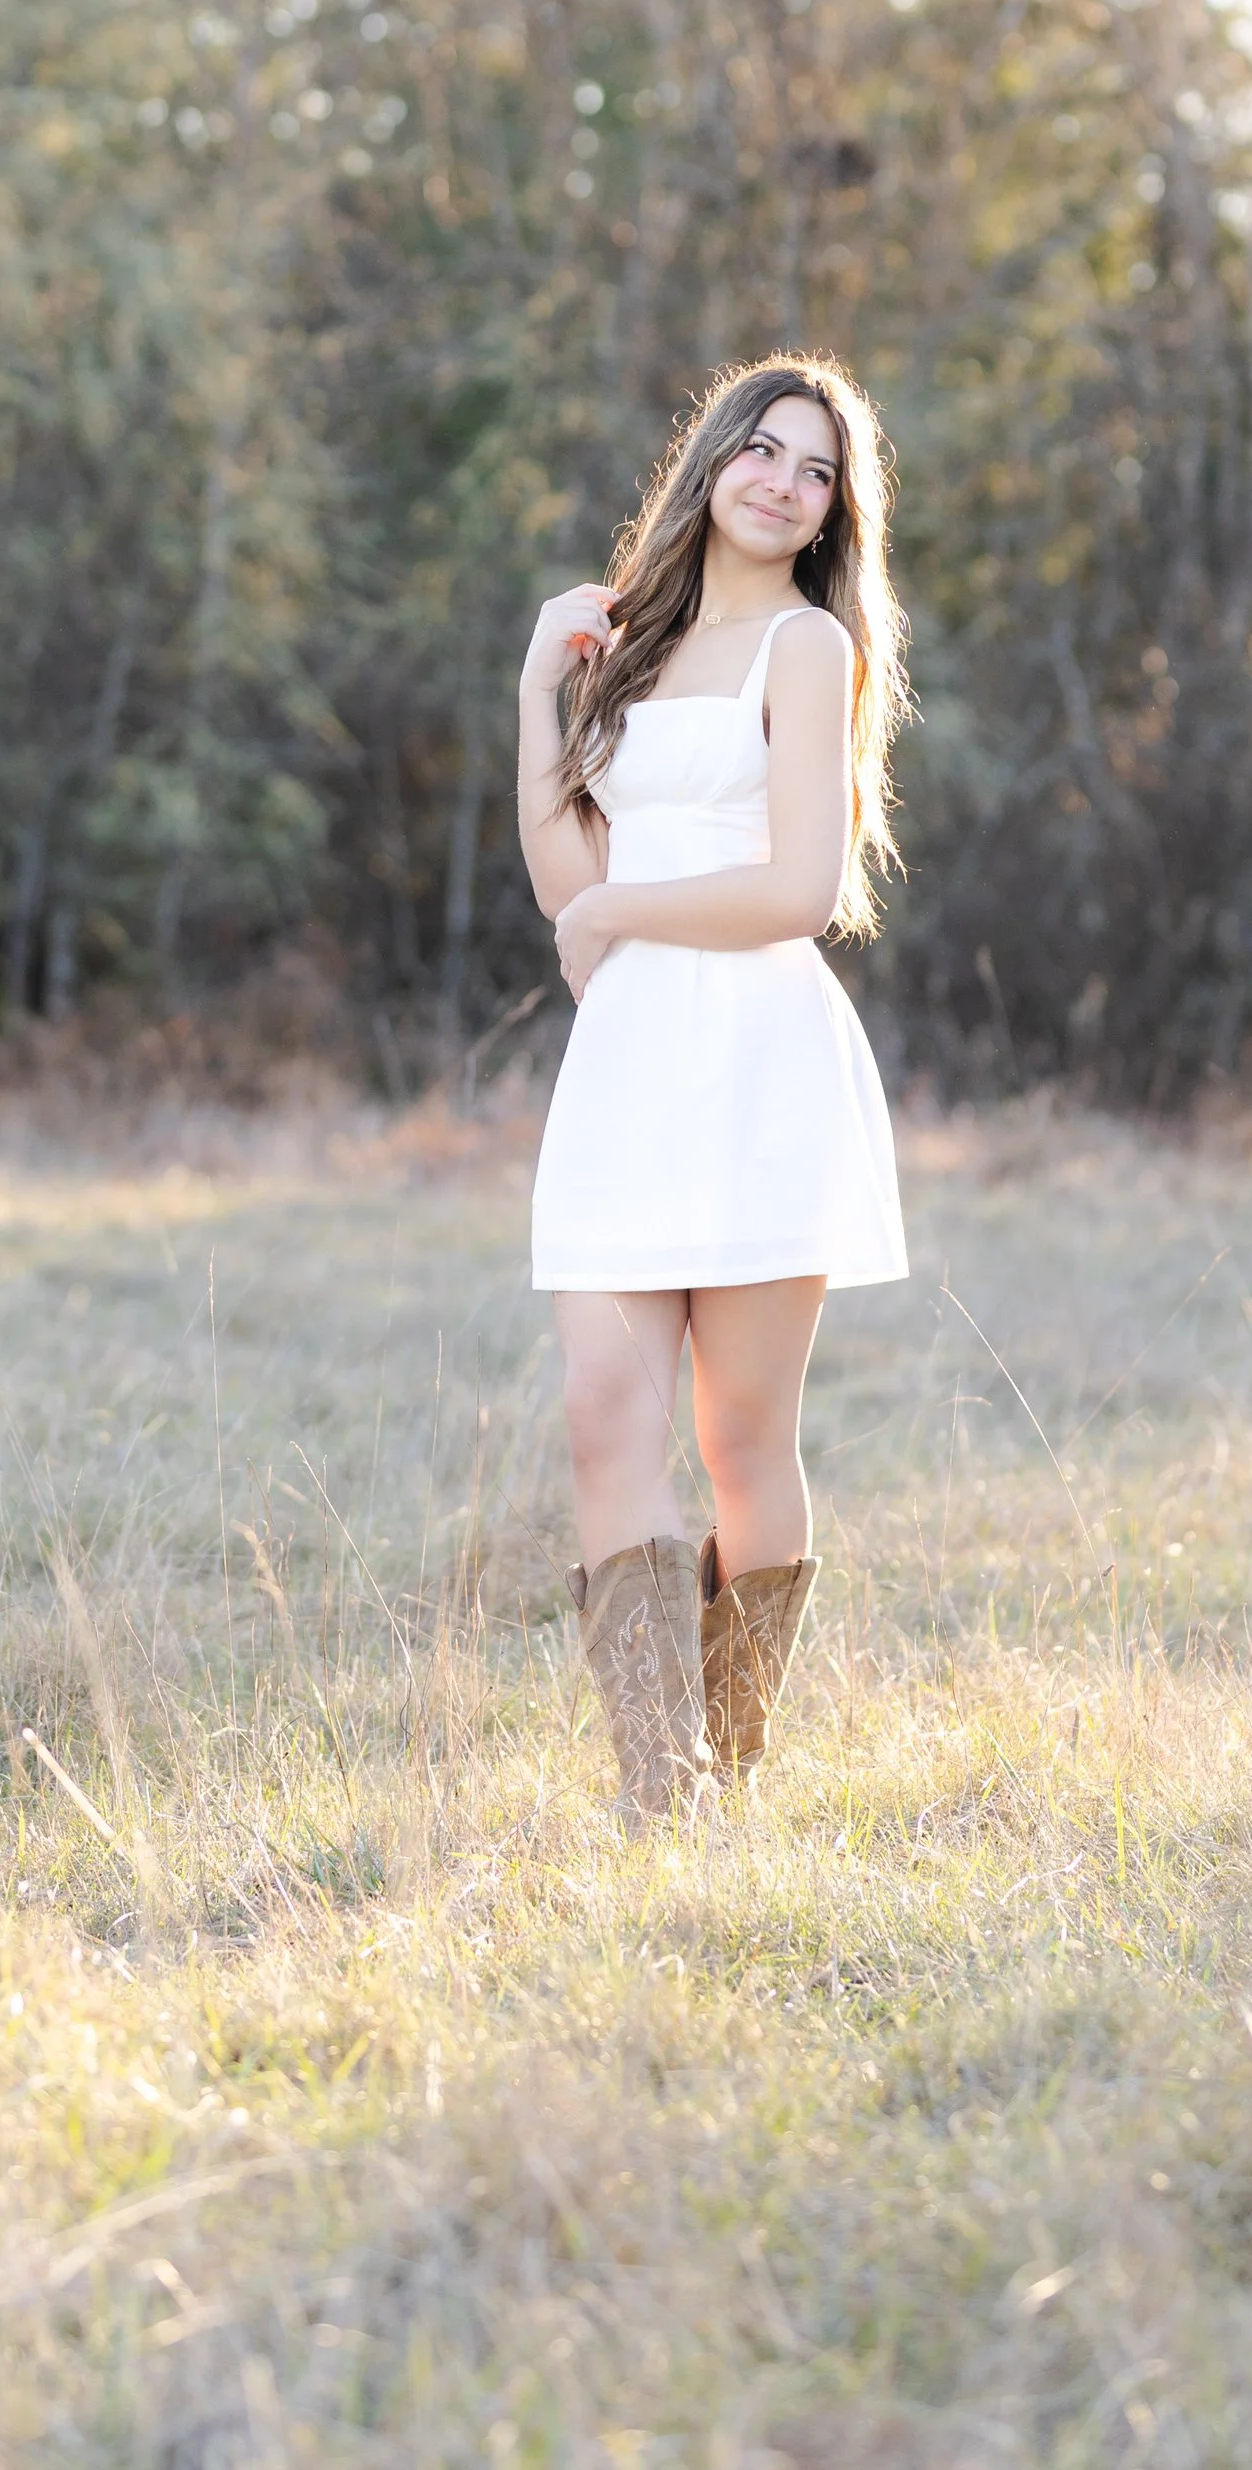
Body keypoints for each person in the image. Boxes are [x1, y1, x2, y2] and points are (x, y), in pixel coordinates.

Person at [516, 355, 910, 1821]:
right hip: (629, 1063)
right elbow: (568, 883)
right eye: (764, 450)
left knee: (741, 1438)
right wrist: (536, 697)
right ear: (713, 458)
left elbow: (800, 890)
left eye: (818, 472)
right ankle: (658, 1789)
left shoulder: (807, 646)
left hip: (758, 1058)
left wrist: (623, 911)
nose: (784, 484)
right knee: (602, 1409)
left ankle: (726, 1769)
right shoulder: (629, 647)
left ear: (832, 513)